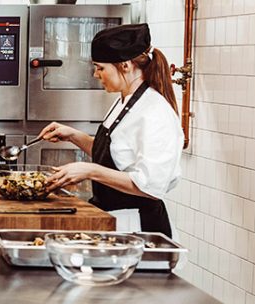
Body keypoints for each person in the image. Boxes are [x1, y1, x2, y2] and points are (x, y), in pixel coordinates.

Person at [42, 24, 183, 236]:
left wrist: (90, 171)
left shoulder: (155, 112)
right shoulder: (123, 102)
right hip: (112, 219)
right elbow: (116, 156)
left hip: (137, 228)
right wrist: (72, 135)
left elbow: (150, 186)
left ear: (125, 65)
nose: (96, 74)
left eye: (100, 68)